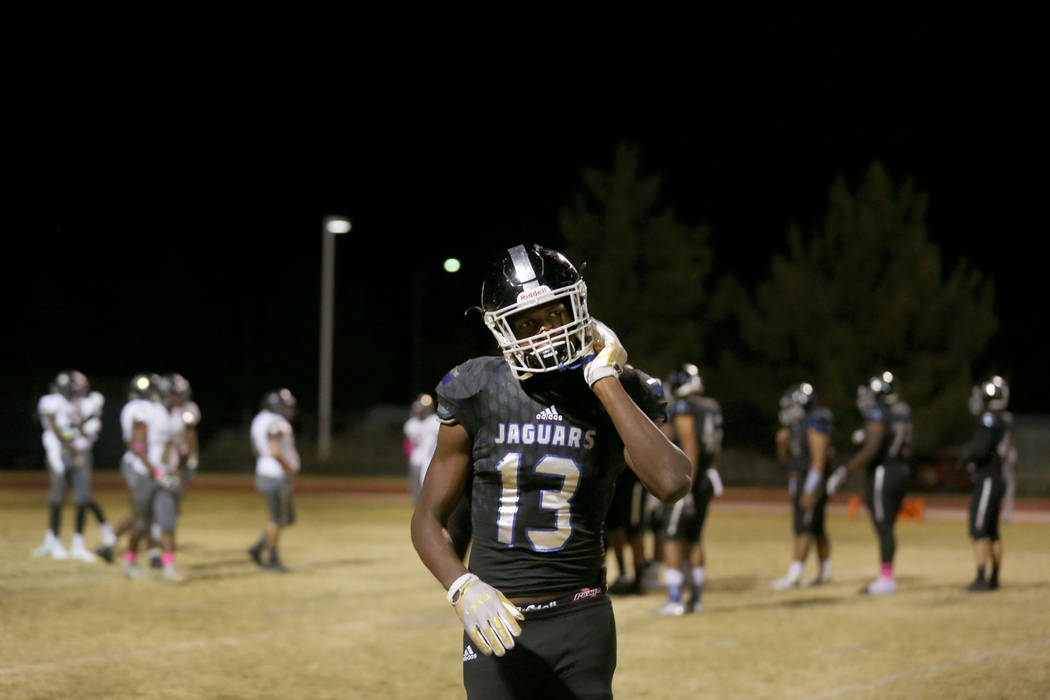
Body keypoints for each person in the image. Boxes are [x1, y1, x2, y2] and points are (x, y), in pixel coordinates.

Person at [411, 243, 691, 699]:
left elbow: (672, 482)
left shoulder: (623, 388)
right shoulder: (478, 388)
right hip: (499, 619)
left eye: (553, 315)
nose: (544, 332)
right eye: (527, 323)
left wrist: (603, 380)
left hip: (582, 618)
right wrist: (461, 586)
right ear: (502, 329)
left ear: (577, 308)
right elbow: (428, 519)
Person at [826, 371, 913, 595]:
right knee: (888, 527)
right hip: (901, 470)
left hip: (884, 473)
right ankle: (886, 576)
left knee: (884, 528)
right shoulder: (903, 412)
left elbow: (872, 450)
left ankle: (886, 579)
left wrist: (843, 471)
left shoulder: (878, 415)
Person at [655, 363, 724, 615]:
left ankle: (675, 600)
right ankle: (695, 598)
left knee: (671, 537)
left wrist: (688, 485)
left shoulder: (684, 408)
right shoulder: (711, 407)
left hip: (690, 479)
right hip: (706, 477)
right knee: (694, 538)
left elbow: (690, 447)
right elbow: (714, 448)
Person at [32, 370, 117, 561]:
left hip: (80, 455)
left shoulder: (89, 404)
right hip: (58, 454)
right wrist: (78, 430)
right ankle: (53, 541)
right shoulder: (51, 402)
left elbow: (89, 433)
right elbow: (61, 435)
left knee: (83, 499)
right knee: (57, 498)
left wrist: (78, 429)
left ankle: (77, 544)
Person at [116, 373, 184, 581]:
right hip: (145, 474)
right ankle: (130, 560)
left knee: (168, 521)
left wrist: (175, 470)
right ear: (164, 394)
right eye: (175, 394)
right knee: (141, 523)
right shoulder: (146, 413)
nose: (178, 398)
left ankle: (169, 567)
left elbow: (178, 448)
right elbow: (137, 447)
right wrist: (157, 472)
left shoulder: (178, 415)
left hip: (165, 475)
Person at [770, 383, 835, 590]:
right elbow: (786, 462)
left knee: (803, 528)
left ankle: (794, 575)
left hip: (811, 481)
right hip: (800, 479)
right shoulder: (796, 427)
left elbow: (818, 460)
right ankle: (825, 571)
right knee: (816, 528)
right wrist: (782, 444)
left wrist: (810, 489)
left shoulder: (815, 422)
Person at [958, 376, 1013, 591]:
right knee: (993, 530)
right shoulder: (1005, 419)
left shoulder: (989, 419)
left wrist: (965, 457)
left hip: (989, 478)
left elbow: (980, 449)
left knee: (979, 528)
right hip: (999, 477)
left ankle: (981, 578)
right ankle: (994, 578)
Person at [248, 388, 301, 572]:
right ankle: (272, 557)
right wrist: (289, 467)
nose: (289, 409)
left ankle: (257, 548)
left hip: (265, 470)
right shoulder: (275, 423)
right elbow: (275, 451)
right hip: (275, 474)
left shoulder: (259, 420)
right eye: (285, 406)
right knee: (277, 519)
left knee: (285, 518)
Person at [404, 393, 441, 502]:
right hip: (417, 458)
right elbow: (409, 443)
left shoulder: (435, 421)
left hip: (431, 458)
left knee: (431, 485)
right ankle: (418, 504)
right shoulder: (411, 424)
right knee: (416, 485)